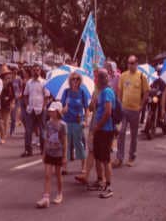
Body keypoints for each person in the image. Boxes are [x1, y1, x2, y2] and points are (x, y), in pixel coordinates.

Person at [113, 56, 149, 168]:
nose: (130, 65)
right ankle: (119, 157)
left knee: (134, 135)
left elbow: (146, 92)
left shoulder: (141, 76)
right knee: (121, 132)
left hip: (135, 110)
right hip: (124, 109)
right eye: (128, 63)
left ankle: (132, 156)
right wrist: (119, 104)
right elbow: (119, 91)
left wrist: (141, 107)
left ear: (137, 63)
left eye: (132, 63)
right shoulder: (123, 75)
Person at [36, 101, 67, 208]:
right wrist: (44, 153)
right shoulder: (48, 124)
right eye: (50, 111)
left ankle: (59, 193)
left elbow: (64, 141)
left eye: (53, 111)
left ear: (58, 112)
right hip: (49, 152)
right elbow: (46, 139)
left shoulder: (63, 125)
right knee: (47, 175)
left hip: (58, 153)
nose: (51, 113)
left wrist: (64, 156)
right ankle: (46, 197)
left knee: (58, 175)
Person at [91, 68, 116, 199]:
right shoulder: (100, 92)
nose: (99, 79)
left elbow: (108, 112)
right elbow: (96, 108)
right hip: (100, 129)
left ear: (106, 78)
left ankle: (109, 186)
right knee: (98, 156)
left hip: (105, 130)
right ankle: (100, 180)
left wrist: (98, 126)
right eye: (98, 77)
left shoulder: (107, 92)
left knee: (105, 159)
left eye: (102, 77)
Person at [60, 72, 89, 175]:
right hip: (67, 121)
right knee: (66, 145)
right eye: (73, 79)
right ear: (70, 80)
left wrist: (85, 120)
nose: (75, 81)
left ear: (80, 80)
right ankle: (65, 167)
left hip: (77, 122)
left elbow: (86, 108)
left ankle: (83, 166)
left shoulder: (82, 92)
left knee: (79, 144)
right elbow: (61, 108)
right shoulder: (66, 92)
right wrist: (64, 109)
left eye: (77, 79)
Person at [22, 63, 50, 157]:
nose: (36, 72)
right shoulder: (29, 82)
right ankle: (28, 150)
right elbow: (25, 95)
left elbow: (47, 96)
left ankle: (43, 149)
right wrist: (27, 106)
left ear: (40, 71)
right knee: (28, 130)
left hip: (41, 109)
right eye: (34, 70)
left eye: (37, 70)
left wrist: (43, 107)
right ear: (32, 71)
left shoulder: (44, 82)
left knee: (42, 131)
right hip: (31, 109)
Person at [0, 65, 15, 143]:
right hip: (0, 104)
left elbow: (13, 95)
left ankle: (3, 136)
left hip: (7, 105)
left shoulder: (10, 84)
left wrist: (11, 102)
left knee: (5, 121)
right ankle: (0, 135)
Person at [10, 67, 23, 136]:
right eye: (13, 71)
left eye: (16, 71)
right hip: (10, 98)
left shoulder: (19, 79)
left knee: (13, 115)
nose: (15, 72)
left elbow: (21, 88)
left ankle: (12, 130)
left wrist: (20, 94)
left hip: (16, 98)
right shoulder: (10, 79)